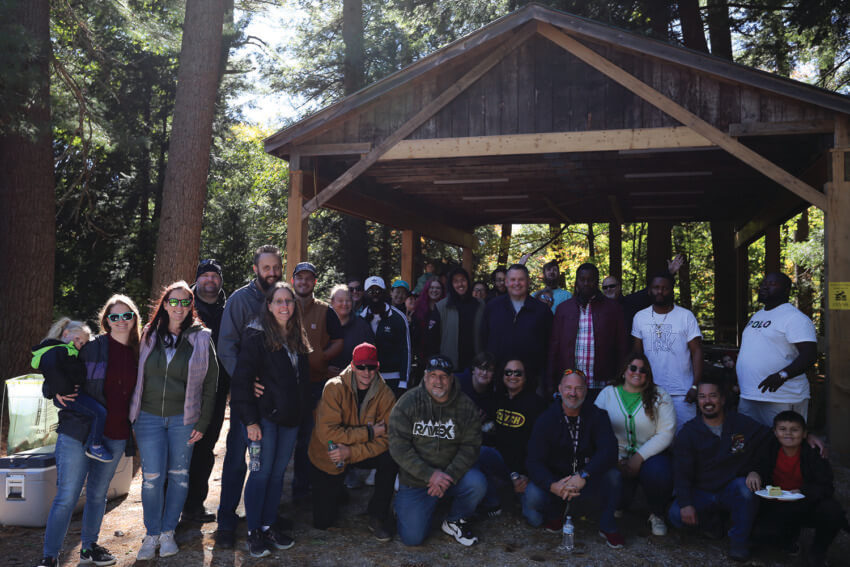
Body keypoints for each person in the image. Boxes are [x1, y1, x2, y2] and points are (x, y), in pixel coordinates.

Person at [36, 295, 141, 567]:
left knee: (97, 494)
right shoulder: (92, 348)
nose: (121, 321)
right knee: (67, 495)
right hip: (78, 431)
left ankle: (89, 548)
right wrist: (53, 392)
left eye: (126, 316)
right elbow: (57, 369)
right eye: (114, 317)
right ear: (106, 321)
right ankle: (50, 556)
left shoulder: (140, 350)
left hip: (116, 434)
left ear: (134, 319)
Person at [130, 281, 218, 560]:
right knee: (152, 479)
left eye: (185, 302)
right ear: (165, 304)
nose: (179, 307)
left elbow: (211, 384)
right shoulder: (148, 335)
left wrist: (202, 423)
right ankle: (151, 534)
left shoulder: (202, 337)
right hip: (148, 418)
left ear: (191, 306)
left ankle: (168, 533)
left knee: (179, 478)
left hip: (184, 419)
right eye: (174, 301)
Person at [229, 281, 309, 557]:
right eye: (279, 301)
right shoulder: (257, 335)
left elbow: (301, 380)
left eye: (289, 301)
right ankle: (253, 532)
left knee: (276, 476)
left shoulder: (297, 335)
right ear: (269, 305)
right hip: (264, 419)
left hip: (290, 419)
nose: (284, 306)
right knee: (261, 473)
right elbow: (241, 382)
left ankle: (268, 525)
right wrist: (250, 421)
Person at [215, 244, 283, 548]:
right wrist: (244, 384)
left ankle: (264, 519)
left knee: (267, 462)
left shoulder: (283, 298)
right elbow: (226, 347)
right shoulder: (240, 300)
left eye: (275, 267)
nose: (271, 272)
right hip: (247, 397)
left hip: (275, 398)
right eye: (265, 267)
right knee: (237, 461)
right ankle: (226, 522)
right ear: (255, 269)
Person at [668, 377, 770, 562]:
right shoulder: (689, 433)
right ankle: (713, 524)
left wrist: (757, 470)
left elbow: (770, 438)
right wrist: (685, 504)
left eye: (712, 396)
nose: (707, 401)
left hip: (731, 488)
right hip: (702, 491)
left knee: (746, 489)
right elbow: (681, 473)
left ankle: (739, 541)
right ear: (697, 401)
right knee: (676, 514)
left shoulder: (739, 424)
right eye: (702, 397)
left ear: (722, 399)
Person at [389, 355, 485, 546]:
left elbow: (471, 447)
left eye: (443, 376)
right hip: (416, 479)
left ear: (451, 379)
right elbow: (398, 445)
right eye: (433, 375)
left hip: (451, 476)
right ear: (425, 377)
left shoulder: (466, 406)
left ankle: (454, 519)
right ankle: (405, 502)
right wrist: (430, 475)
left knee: (477, 483)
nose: (438, 381)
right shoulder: (407, 403)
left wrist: (447, 475)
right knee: (412, 539)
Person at [308, 343, 398, 540]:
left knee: (392, 457)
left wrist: (351, 453)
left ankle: (378, 514)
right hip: (330, 452)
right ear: (353, 365)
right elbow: (326, 434)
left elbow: (388, 439)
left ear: (378, 366)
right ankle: (337, 490)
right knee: (323, 522)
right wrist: (370, 432)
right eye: (361, 366)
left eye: (371, 367)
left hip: (355, 451)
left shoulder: (386, 395)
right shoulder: (334, 387)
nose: (366, 372)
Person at [524, 370, 622, 548]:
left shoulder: (598, 416)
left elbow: (609, 451)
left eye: (578, 388)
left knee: (614, 475)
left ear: (586, 390)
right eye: (568, 388)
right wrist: (553, 485)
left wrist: (584, 475)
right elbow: (533, 461)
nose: (573, 393)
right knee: (532, 499)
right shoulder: (546, 419)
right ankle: (557, 513)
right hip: (557, 481)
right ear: (560, 389)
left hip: (585, 479)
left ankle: (607, 524)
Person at [748, 411, 848, 566]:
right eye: (783, 429)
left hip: (805, 502)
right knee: (760, 534)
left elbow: (826, 486)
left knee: (833, 511)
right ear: (775, 432)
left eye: (794, 429)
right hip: (777, 503)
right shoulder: (769, 447)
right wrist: (753, 472)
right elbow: (757, 463)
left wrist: (803, 491)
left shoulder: (813, 452)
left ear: (804, 434)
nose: (788, 433)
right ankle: (788, 541)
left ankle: (818, 551)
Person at [594, 354, 676, 536]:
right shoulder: (608, 393)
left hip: (650, 456)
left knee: (659, 473)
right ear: (624, 370)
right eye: (632, 368)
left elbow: (666, 432)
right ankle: (617, 505)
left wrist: (639, 458)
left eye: (643, 370)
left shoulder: (660, 396)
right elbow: (595, 428)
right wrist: (615, 459)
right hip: (617, 455)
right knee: (612, 479)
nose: (637, 373)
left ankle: (657, 513)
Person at [290, 261, 344, 502]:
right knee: (286, 439)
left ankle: (305, 489)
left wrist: (322, 357)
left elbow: (339, 340)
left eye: (308, 278)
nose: (303, 282)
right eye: (299, 278)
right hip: (287, 385)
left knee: (311, 437)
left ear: (315, 282)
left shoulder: (325, 310)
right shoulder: (283, 305)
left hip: (316, 385)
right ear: (293, 280)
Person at [736, 272, 817, 427]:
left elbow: (809, 355)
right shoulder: (757, 316)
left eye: (772, 284)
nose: (765, 286)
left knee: (783, 446)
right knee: (751, 446)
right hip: (749, 396)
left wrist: (782, 375)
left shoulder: (795, 318)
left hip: (782, 398)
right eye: (764, 283)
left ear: (786, 290)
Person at [184, 259, 229, 522]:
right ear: (197, 279)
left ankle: (194, 506)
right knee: (181, 447)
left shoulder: (229, 309)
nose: (210, 280)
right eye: (205, 275)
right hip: (185, 390)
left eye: (215, 276)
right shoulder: (184, 305)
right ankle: (171, 507)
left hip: (217, 390)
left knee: (205, 448)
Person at [32, 318, 112, 463]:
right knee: (99, 412)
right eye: (77, 339)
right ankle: (95, 445)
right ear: (66, 333)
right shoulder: (56, 350)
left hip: (72, 393)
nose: (79, 345)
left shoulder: (67, 350)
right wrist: (62, 391)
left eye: (82, 343)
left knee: (98, 412)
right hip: (71, 395)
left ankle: (94, 443)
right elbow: (51, 372)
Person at [632, 271, 703, 429]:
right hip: (650, 391)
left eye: (665, 288)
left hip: (682, 393)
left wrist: (695, 386)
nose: (660, 291)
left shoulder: (686, 316)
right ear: (649, 290)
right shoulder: (640, 317)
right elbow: (637, 356)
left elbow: (697, 351)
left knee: (684, 440)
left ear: (672, 290)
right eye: (656, 287)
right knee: (652, 439)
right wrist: (638, 387)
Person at [547, 262, 628, 400]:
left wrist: (620, 378)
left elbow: (622, 346)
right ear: (576, 282)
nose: (586, 283)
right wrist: (551, 382)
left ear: (596, 282)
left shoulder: (613, 309)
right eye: (582, 280)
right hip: (571, 384)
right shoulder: (564, 309)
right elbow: (554, 347)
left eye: (590, 280)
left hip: (602, 384)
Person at [477, 359, 546, 517]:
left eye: (518, 373)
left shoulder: (537, 404)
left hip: (525, 470)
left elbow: (542, 446)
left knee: (534, 518)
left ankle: (517, 496)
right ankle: (493, 502)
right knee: (478, 453)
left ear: (526, 376)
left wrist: (527, 475)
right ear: (502, 375)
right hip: (501, 465)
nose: (512, 376)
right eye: (508, 372)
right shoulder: (496, 399)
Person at [482, 264, 552, 387]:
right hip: (497, 378)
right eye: (513, 280)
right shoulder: (493, 307)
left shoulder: (542, 311)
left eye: (521, 279)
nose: (517, 283)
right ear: (507, 282)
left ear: (528, 281)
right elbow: (483, 339)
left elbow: (549, 345)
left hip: (531, 379)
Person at [602, 254, 684, 339]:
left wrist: (670, 273)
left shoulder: (631, 302)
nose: (608, 289)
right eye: (605, 287)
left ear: (619, 287)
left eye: (612, 286)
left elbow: (652, 290)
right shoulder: (598, 309)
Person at [361, 276, 411, 395]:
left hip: (393, 380)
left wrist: (404, 381)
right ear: (365, 294)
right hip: (366, 380)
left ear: (384, 292)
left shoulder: (398, 318)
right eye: (371, 291)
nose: (375, 295)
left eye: (378, 291)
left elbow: (406, 351)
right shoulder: (360, 319)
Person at [436, 267, 484, 373]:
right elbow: (434, 339)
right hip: (450, 366)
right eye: (456, 281)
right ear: (451, 284)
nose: (460, 284)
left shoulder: (480, 305)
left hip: (476, 366)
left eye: (463, 280)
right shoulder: (441, 306)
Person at [327, 284, 375, 375]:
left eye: (348, 301)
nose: (344, 304)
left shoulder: (362, 326)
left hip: (355, 381)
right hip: (326, 382)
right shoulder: (323, 325)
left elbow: (370, 356)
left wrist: (350, 371)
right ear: (332, 302)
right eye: (340, 301)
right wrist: (325, 368)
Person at [455, 352, 498, 433]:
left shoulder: (493, 393)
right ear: (473, 369)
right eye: (481, 368)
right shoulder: (456, 382)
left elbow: (489, 425)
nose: (485, 373)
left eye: (489, 370)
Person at [412, 278, 444, 363]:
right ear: (427, 289)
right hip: (421, 356)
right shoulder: (419, 308)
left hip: (440, 355)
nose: (434, 290)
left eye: (438, 288)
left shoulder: (445, 309)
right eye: (431, 287)